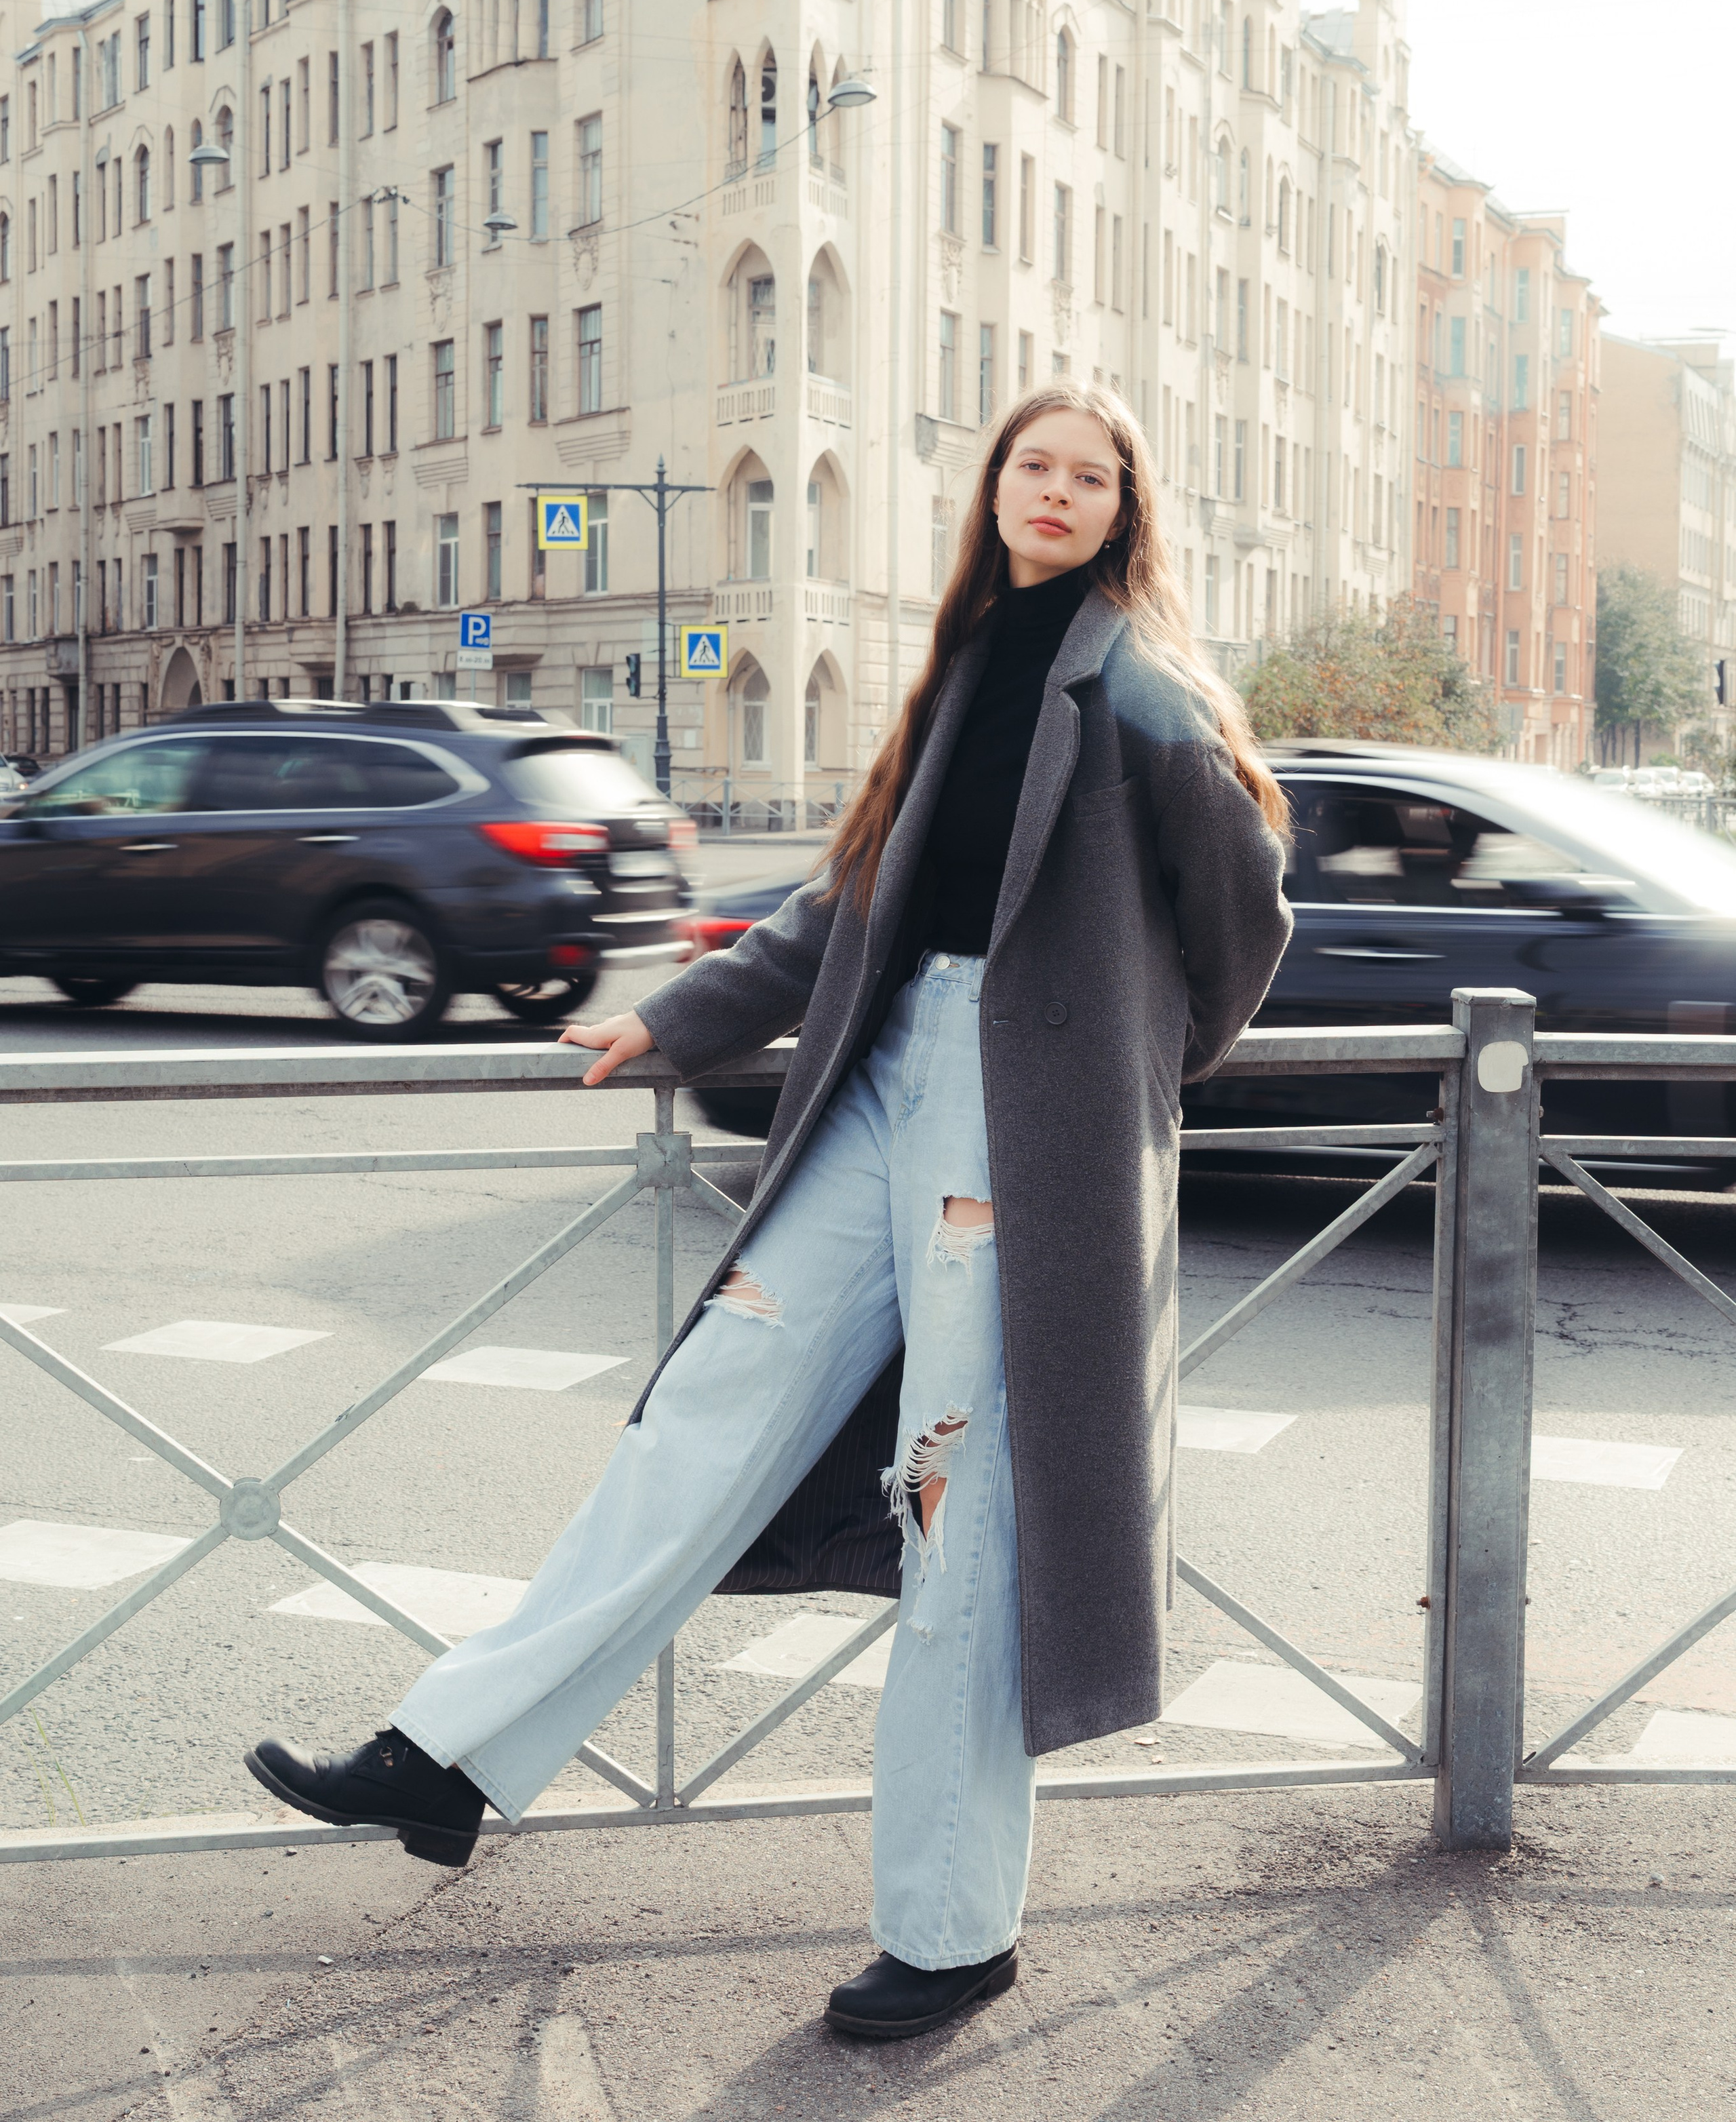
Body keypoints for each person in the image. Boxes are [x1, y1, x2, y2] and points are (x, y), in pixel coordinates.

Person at [246, 383, 1291, 2041]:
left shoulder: (1138, 682)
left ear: (1122, 511)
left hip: (1013, 1129)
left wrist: (1116, 1076)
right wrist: (680, 1015)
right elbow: (845, 901)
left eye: (1091, 476)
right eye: (1035, 464)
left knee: (958, 1509)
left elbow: (1242, 917)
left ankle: (954, 1929)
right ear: (994, 488)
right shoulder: (962, 663)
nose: (1057, 490)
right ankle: (447, 1754)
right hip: (877, 1093)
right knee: (704, 1414)